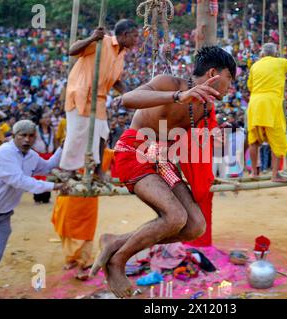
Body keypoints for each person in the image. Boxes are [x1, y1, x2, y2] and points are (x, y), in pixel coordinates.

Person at [89, 46, 236, 298]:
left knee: (195, 226)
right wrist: (178, 96)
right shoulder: (168, 82)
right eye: (230, 79)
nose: (230, 87)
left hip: (163, 160)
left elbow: (195, 149)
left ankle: (115, 242)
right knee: (175, 217)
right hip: (134, 151)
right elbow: (127, 99)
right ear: (213, 73)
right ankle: (117, 261)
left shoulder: (207, 108)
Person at [0, 120, 66, 299]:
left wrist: (63, 147)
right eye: (23, 135)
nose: (27, 139)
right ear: (14, 136)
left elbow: (48, 165)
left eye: (31, 136)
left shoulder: (31, 155)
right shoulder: (5, 152)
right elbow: (19, 181)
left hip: (2, 217)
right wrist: (54, 186)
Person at [60, 19, 139, 175]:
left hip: (99, 99)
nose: (137, 40)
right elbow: (72, 50)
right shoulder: (102, 41)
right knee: (78, 133)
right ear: (125, 34)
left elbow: (116, 81)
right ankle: (69, 171)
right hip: (81, 93)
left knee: (103, 133)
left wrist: (130, 94)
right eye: (135, 36)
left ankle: (97, 171)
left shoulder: (121, 54)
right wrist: (91, 38)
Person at [52, 148, 115, 281]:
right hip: (69, 195)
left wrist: (105, 174)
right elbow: (58, 168)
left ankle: (81, 264)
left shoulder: (108, 154)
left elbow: (117, 169)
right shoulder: (73, 147)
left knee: (85, 233)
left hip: (88, 199)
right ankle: (71, 259)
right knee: (66, 229)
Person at [247, 43, 287, 181]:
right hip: (271, 104)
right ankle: (274, 174)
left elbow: (250, 85)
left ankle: (254, 172)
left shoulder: (255, 66)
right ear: (275, 53)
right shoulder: (281, 62)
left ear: (262, 53)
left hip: (255, 103)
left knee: (253, 140)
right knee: (277, 140)